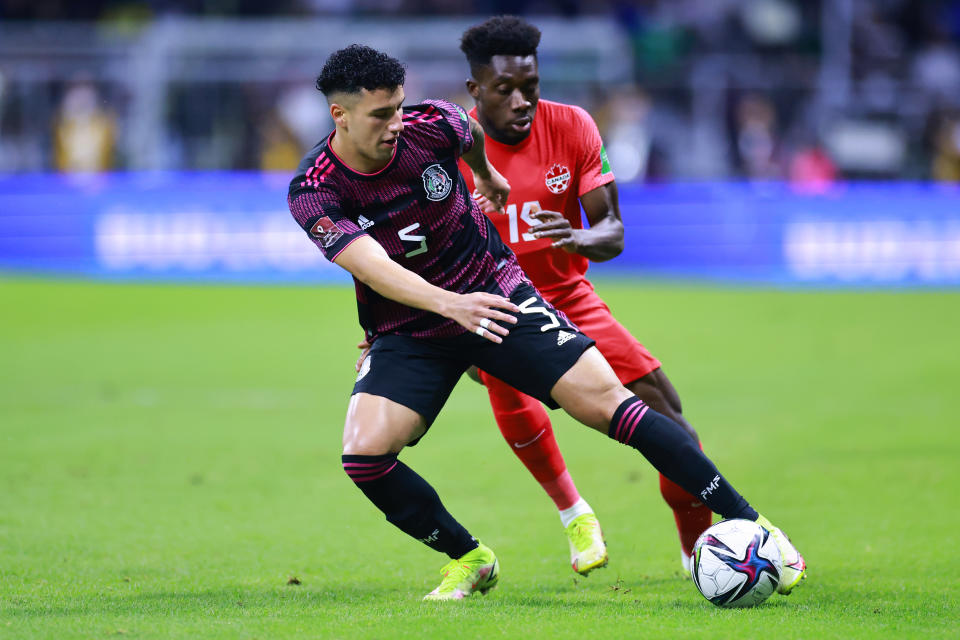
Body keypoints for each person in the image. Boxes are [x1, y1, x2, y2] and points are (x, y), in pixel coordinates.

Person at [287, 44, 806, 601]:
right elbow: (375, 267)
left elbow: (469, 133)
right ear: (339, 115)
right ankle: (470, 558)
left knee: (613, 404)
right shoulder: (315, 189)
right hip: (415, 326)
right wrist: (449, 305)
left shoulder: (433, 124)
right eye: (381, 114)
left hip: (496, 291)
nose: (397, 123)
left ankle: (759, 529)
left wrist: (484, 176)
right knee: (364, 454)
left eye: (399, 107)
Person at [456, 15, 718, 575]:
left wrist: (577, 236)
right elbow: (414, 244)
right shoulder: (448, 148)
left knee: (671, 418)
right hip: (495, 305)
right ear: (477, 91)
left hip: (567, 294)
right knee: (509, 393)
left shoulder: (573, 126)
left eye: (531, 86)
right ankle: (573, 511)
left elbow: (613, 231)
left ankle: (701, 553)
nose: (522, 101)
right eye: (506, 90)